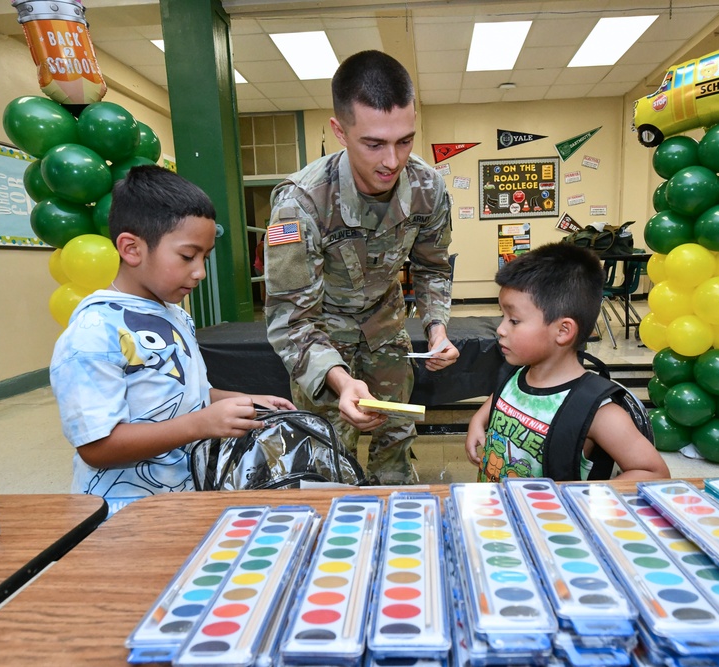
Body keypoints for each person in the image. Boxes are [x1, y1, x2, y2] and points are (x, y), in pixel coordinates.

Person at [263, 50, 458, 485]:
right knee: (328, 461)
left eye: (405, 140)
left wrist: (436, 328)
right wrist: (338, 378)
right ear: (340, 131)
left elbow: (433, 267)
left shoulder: (428, 189)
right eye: (374, 144)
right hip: (321, 341)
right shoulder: (301, 204)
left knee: (396, 445)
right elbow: (290, 319)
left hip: (386, 331)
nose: (392, 161)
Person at [50, 165, 294, 514]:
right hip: (124, 513)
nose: (199, 272)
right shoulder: (94, 332)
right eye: (187, 256)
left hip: (184, 496)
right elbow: (97, 446)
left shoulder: (175, 314)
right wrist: (200, 425)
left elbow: (186, 394)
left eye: (205, 258)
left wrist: (242, 400)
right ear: (131, 249)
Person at [465, 242, 670, 482]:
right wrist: (478, 421)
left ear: (563, 331)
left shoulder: (597, 411)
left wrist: (582, 500)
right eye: (503, 316)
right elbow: (500, 399)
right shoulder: (517, 374)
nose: (500, 329)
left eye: (514, 320)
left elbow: (654, 473)